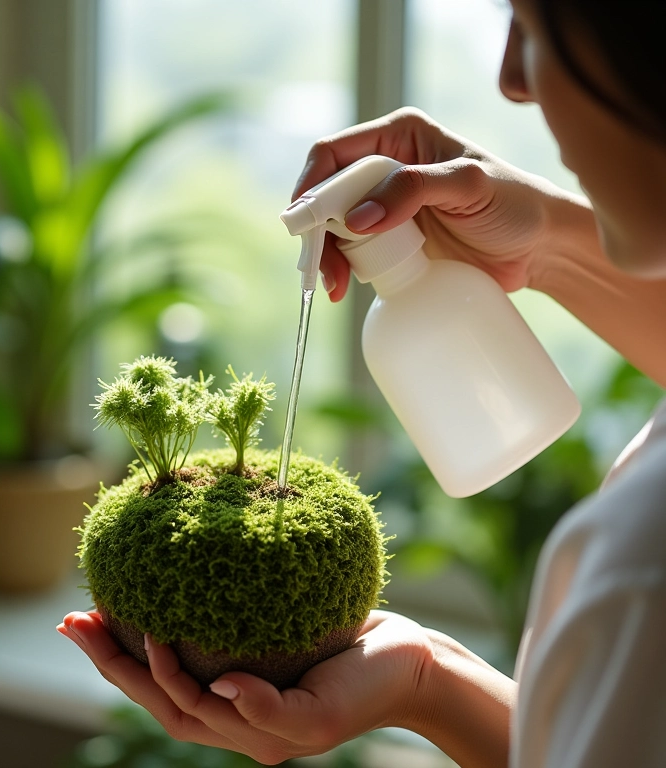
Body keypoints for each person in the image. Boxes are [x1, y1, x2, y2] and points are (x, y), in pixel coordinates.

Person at [58, 0, 666, 765]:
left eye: (536, 24)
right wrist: (424, 678)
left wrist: (424, 684)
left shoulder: (647, 563)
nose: (513, 80)